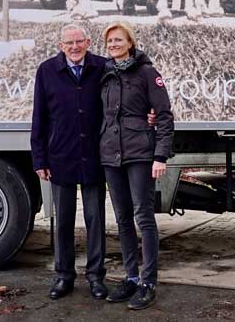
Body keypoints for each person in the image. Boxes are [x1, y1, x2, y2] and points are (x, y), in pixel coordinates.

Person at [30, 24, 109, 301]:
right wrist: (39, 158)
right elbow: (39, 117)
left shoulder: (103, 67)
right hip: (60, 157)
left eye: (79, 42)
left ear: (88, 42)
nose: (74, 47)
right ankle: (64, 276)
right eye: (69, 43)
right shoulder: (47, 70)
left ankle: (96, 277)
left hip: (95, 158)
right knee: (62, 222)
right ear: (60, 45)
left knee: (95, 220)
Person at [99, 21, 174, 310]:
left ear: (130, 43)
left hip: (140, 154)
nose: (114, 45)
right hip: (111, 156)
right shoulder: (105, 75)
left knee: (144, 217)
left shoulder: (147, 73)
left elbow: (164, 115)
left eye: (119, 40)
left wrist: (160, 155)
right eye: (110, 41)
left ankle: (148, 282)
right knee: (122, 219)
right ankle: (130, 278)